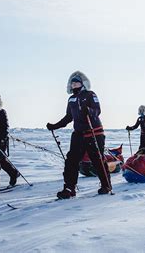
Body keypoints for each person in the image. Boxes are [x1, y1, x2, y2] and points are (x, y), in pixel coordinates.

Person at [47, 71, 111, 199]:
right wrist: (55, 126)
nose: (74, 84)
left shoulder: (90, 95)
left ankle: (106, 185)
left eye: (76, 82)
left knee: (97, 159)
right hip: (78, 134)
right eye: (72, 83)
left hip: (94, 132)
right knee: (71, 160)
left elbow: (97, 110)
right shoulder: (71, 99)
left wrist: (89, 110)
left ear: (82, 83)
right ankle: (69, 188)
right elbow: (68, 117)